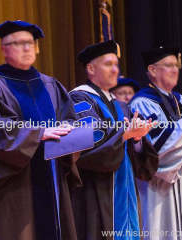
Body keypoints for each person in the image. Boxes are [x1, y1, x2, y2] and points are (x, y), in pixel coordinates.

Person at [0, 20, 92, 240]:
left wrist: (71, 131)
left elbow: (69, 120)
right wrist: (37, 134)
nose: (26, 48)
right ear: (3, 49)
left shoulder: (50, 85)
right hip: (13, 186)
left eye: (30, 43)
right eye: (18, 43)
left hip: (51, 178)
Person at [69, 40, 158, 240]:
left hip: (124, 191)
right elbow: (86, 151)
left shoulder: (121, 106)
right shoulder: (80, 100)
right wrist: (124, 135)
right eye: (108, 64)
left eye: (116, 65)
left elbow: (140, 160)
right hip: (95, 193)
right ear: (91, 68)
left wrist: (137, 138)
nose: (115, 70)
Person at [130, 46, 182, 240]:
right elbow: (155, 148)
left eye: (176, 66)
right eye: (169, 65)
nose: (175, 70)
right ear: (152, 70)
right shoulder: (142, 103)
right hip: (157, 187)